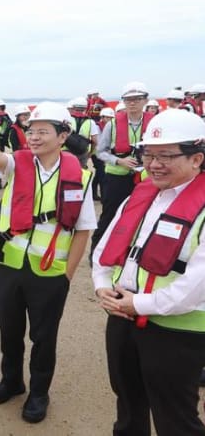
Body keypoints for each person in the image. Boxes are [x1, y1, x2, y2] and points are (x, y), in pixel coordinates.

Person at [0, 102, 96, 423]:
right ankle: (11, 381)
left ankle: (39, 393)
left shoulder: (79, 177)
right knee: (10, 331)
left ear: (63, 136)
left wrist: (67, 275)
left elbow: (84, 230)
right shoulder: (17, 164)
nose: (34, 136)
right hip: (12, 267)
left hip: (51, 273)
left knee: (43, 338)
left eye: (43, 131)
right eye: (31, 130)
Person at [92, 109, 205, 435]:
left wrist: (138, 304)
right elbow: (105, 248)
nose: (154, 164)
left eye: (166, 155)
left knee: (176, 419)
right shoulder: (141, 195)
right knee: (127, 406)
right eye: (148, 154)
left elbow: (196, 286)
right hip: (122, 320)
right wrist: (102, 285)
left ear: (197, 158)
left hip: (177, 333)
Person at [92, 82, 153, 258]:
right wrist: (119, 160)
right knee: (109, 215)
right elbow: (100, 152)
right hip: (116, 177)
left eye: (137, 99)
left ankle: (130, 253)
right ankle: (96, 251)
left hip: (144, 178)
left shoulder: (153, 122)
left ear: (145, 101)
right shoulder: (113, 125)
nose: (132, 103)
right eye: (128, 100)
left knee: (142, 215)